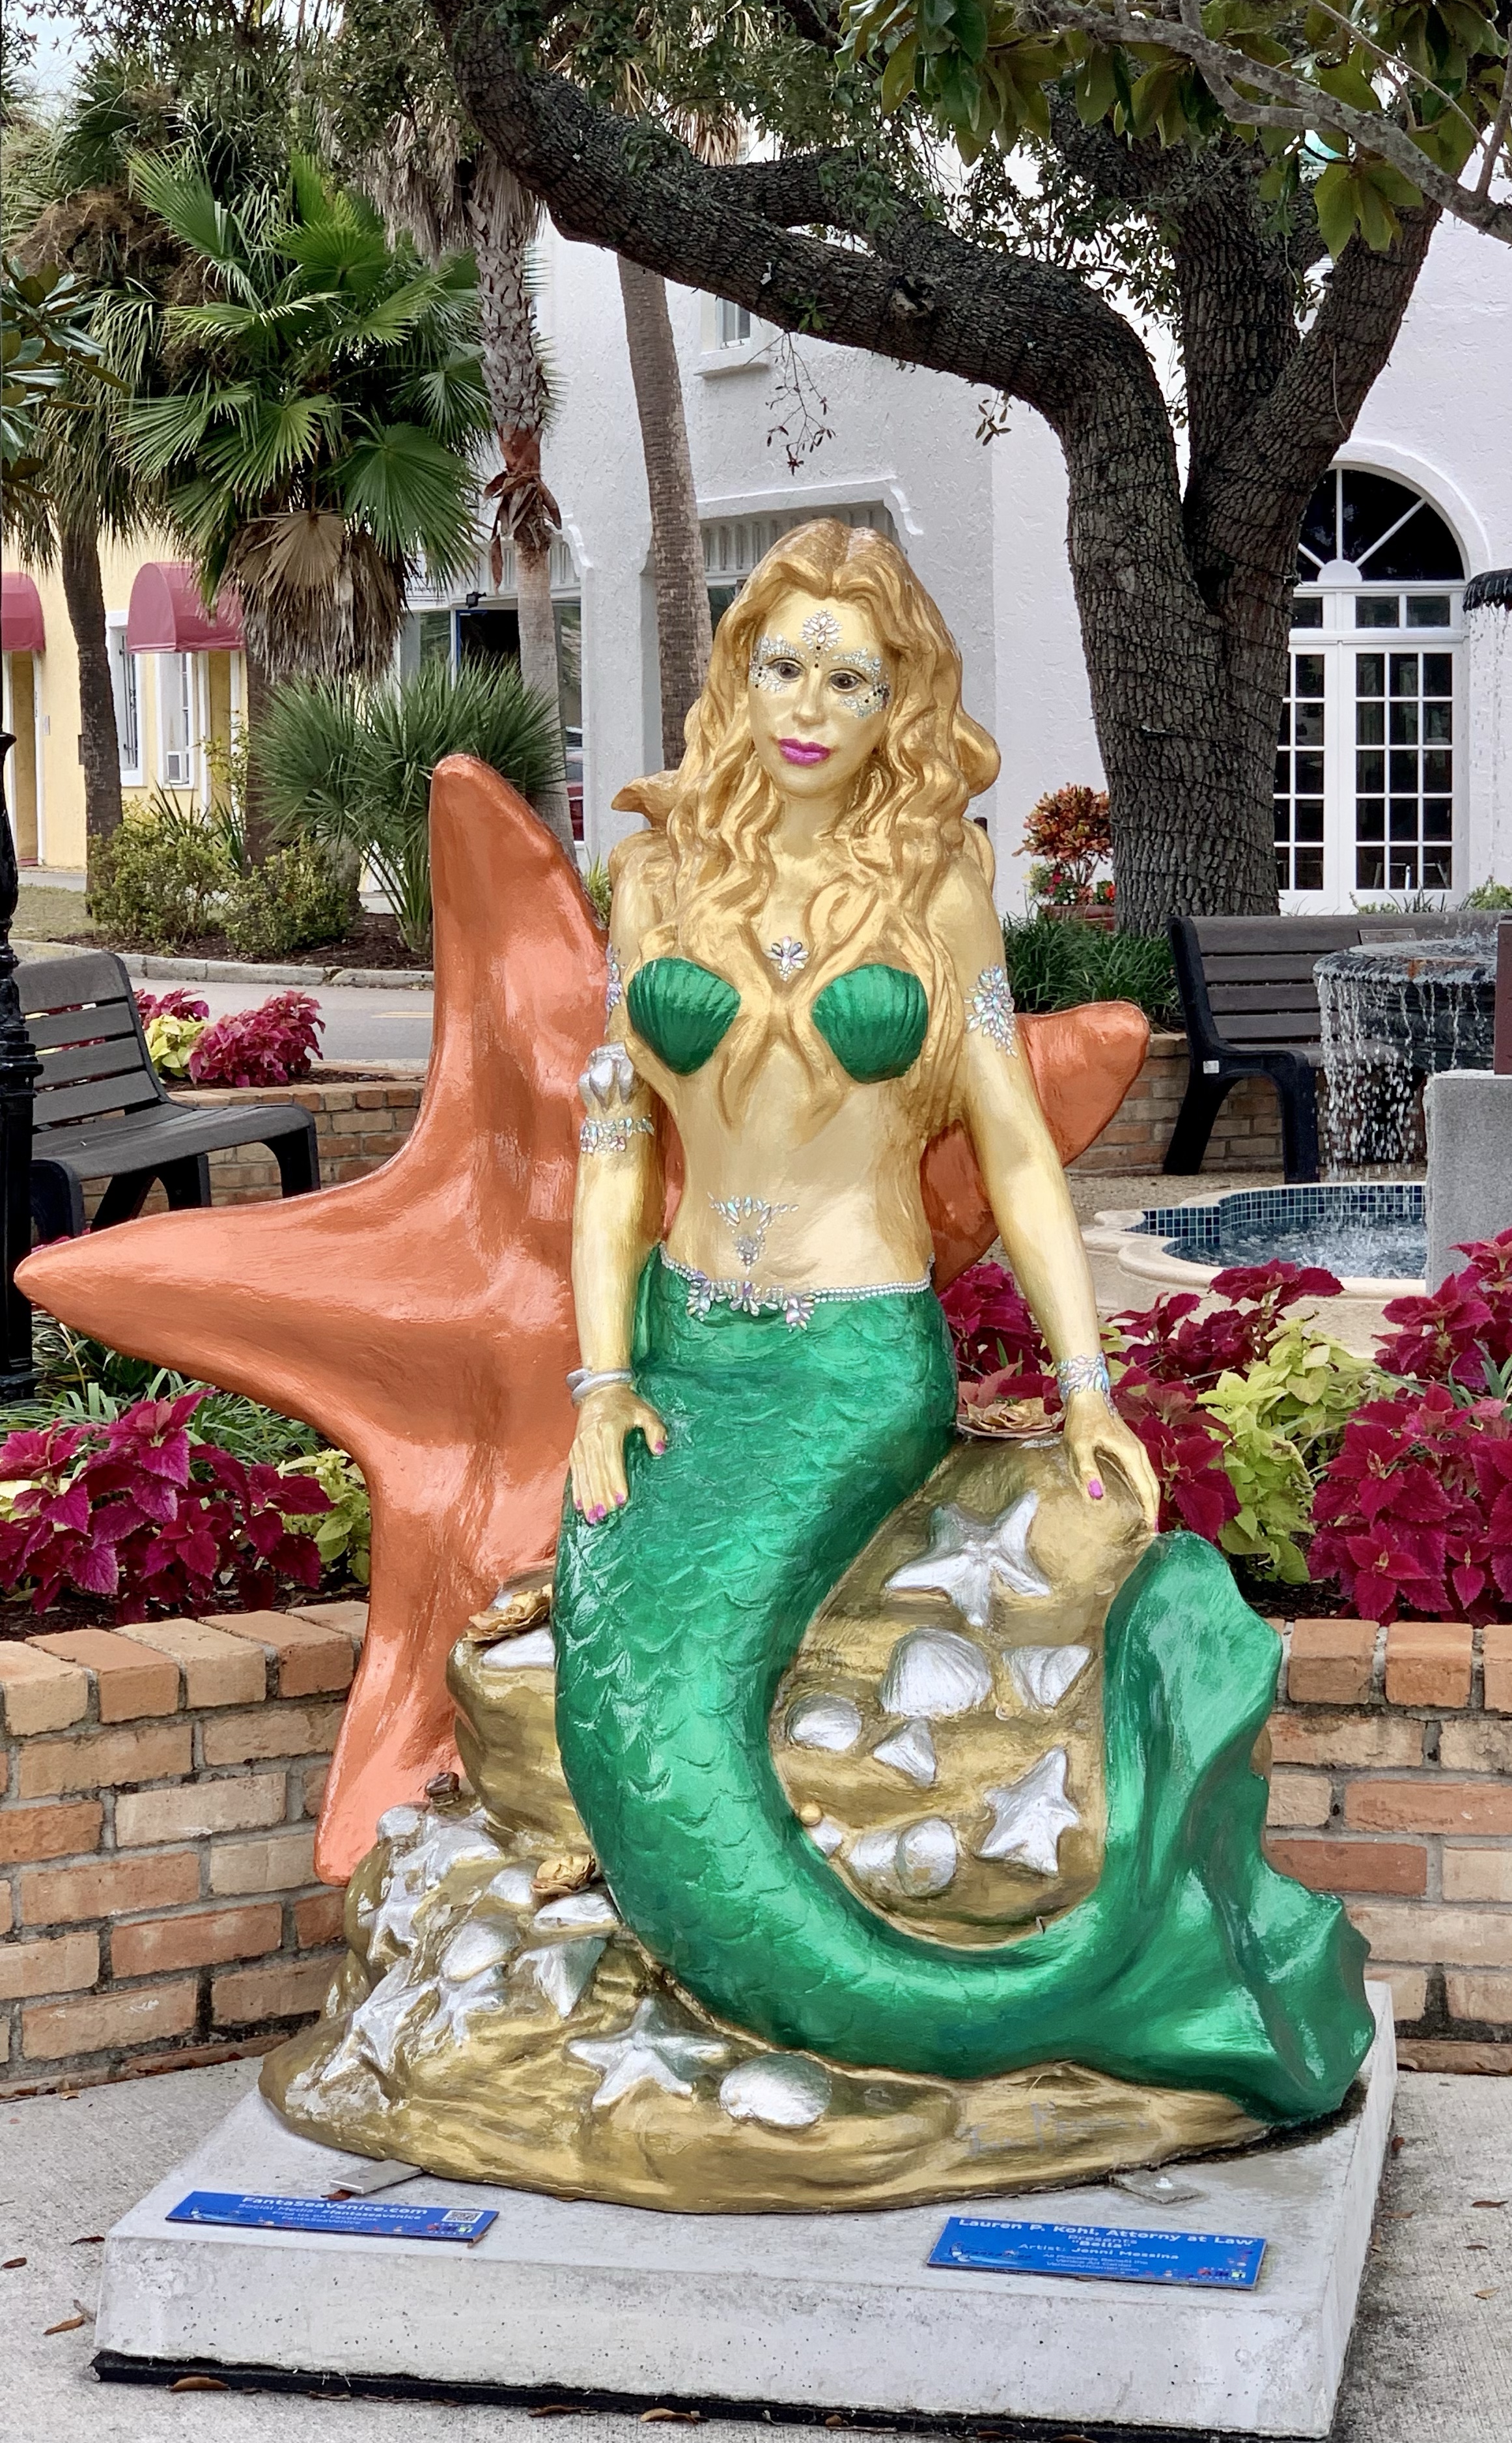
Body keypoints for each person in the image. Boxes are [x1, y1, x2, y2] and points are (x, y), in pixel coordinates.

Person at [551, 517, 1372, 2126]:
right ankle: (878, 1992)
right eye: (782, 665)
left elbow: (1011, 1149)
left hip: (853, 1365)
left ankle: (1070, 1985)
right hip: (682, 1355)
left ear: (898, 705)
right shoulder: (653, 874)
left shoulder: (939, 887)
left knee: (676, 1700)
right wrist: (601, 1378)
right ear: (739, 674)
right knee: (622, 1689)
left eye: (849, 680)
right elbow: (612, 1147)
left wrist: (1088, 1385)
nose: (808, 706)